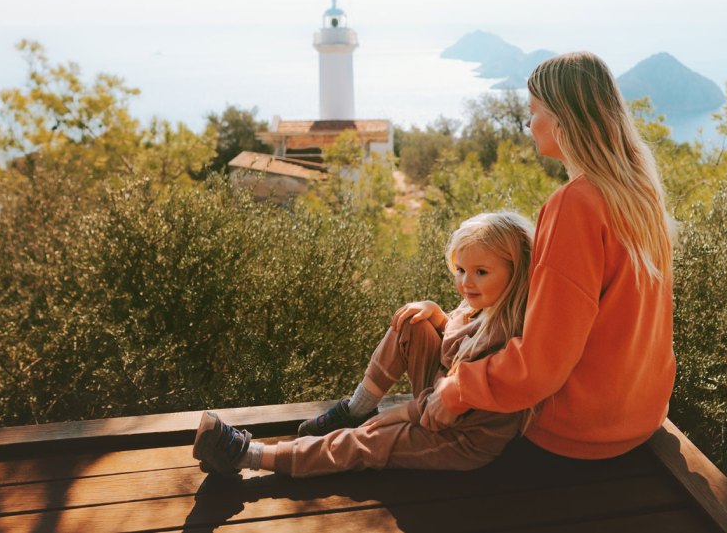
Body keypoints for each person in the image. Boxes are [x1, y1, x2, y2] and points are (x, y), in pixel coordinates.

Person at [420, 51, 676, 461]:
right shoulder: (639, 193)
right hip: (638, 417)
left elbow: (543, 362)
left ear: (563, 118)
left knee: (424, 359)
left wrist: (460, 388)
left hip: (577, 431)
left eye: (533, 110)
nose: (528, 122)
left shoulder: (576, 204)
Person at [193, 211, 536, 477]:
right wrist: (437, 316)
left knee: (370, 441)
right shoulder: (484, 307)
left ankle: (245, 455)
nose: (465, 282)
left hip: (459, 438)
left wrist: (392, 418)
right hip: (439, 401)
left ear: (516, 271)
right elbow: (454, 352)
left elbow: (438, 412)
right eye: (460, 270)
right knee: (411, 323)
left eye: (480, 272)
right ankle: (358, 407)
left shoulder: (502, 337)